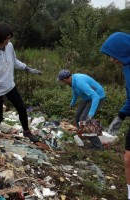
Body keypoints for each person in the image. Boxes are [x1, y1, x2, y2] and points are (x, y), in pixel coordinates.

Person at [0, 22, 42, 150]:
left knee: (22, 109)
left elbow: (14, 61)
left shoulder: (9, 46)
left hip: (9, 86)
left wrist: (28, 69)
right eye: (6, 39)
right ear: (0, 39)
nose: (9, 41)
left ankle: (27, 131)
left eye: (9, 38)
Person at [100, 32, 130, 200]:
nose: (111, 59)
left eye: (113, 55)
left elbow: (95, 96)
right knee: (128, 159)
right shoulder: (127, 67)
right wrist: (120, 116)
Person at [57, 69, 105, 150]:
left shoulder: (80, 83)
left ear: (65, 80)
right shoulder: (73, 80)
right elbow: (75, 92)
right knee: (77, 116)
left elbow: (95, 96)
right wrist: (72, 103)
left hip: (98, 97)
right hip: (87, 97)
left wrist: (91, 113)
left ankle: (98, 146)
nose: (62, 82)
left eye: (62, 81)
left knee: (84, 120)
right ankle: (83, 134)